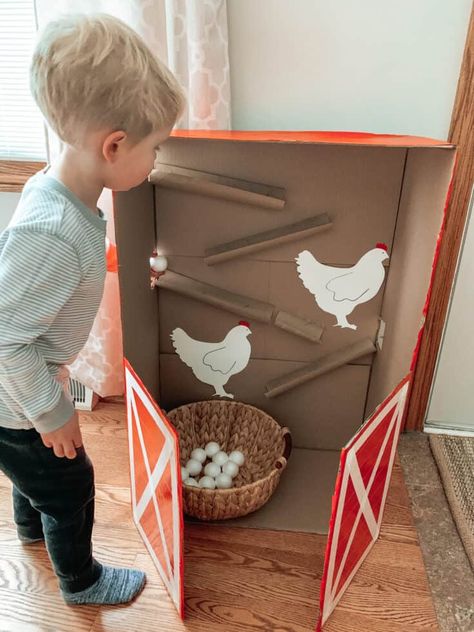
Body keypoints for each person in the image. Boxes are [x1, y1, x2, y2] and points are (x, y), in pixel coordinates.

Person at [0, 13, 185, 606]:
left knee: (34, 478)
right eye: (154, 148)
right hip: (16, 399)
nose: (155, 160)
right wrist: (51, 412)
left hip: (17, 395)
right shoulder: (55, 231)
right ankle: (81, 582)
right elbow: (6, 337)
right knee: (70, 482)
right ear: (114, 145)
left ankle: (29, 527)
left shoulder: (57, 192)